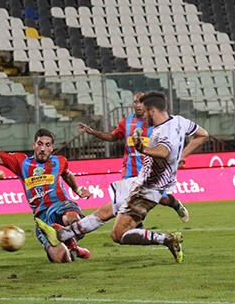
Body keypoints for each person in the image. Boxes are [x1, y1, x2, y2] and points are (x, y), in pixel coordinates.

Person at [40, 91, 209, 264]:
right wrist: (182, 156)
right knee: (104, 212)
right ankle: (64, 234)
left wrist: (143, 149)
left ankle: (167, 239)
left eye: (145, 112)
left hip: (147, 189)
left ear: (152, 111)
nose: (143, 116)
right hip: (138, 181)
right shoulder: (180, 121)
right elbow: (202, 134)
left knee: (118, 234)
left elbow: (164, 151)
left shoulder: (162, 131)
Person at [0, 99, 91, 263]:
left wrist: (77, 190)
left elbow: (67, 174)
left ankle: (69, 238)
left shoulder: (60, 161)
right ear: (34, 145)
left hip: (61, 204)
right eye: (40, 144)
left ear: (52, 148)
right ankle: (72, 247)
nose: (43, 148)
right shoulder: (20, 162)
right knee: (63, 259)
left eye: (47, 145)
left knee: (73, 219)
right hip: (42, 215)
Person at [78, 91, 189, 222]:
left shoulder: (156, 122)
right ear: (132, 104)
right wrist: (92, 132)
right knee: (127, 201)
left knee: (162, 198)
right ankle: (134, 228)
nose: (138, 105)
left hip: (151, 170)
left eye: (141, 102)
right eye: (136, 102)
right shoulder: (126, 122)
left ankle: (175, 204)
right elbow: (112, 137)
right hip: (130, 170)